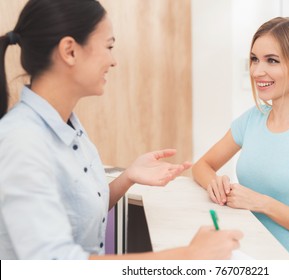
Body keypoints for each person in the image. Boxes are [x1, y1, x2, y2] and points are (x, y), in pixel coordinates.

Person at [0, 0, 242, 260]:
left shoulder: (69, 124)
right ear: (70, 51)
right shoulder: (21, 141)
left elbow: (77, 212)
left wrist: (128, 176)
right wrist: (189, 256)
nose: (113, 61)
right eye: (109, 46)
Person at [192, 17, 289, 260]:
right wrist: (214, 182)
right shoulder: (252, 120)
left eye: (272, 61)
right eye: (254, 59)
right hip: (248, 258)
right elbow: (201, 166)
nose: (257, 71)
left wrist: (263, 203)